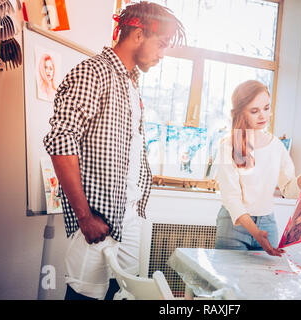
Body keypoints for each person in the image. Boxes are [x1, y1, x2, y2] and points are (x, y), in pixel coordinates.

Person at [43, 1, 185, 300]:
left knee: (118, 294)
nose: (162, 54)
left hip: (129, 218)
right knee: (85, 295)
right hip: (97, 221)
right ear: (137, 33)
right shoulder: (92, 73)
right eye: (160, 44)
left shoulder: (131, 84)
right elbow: (61, 141)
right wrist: (84, 217)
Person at [214, 80, 301, 256]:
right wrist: (255, 233)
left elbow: (289, 190)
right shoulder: (228, 146)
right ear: (241, 113)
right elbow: (232, 198)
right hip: (234, 225)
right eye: (254, 111)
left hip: (267, 223)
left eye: (266, 108)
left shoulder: (276, 145)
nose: (263, 116)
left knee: (265, 282)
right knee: (229, 282)